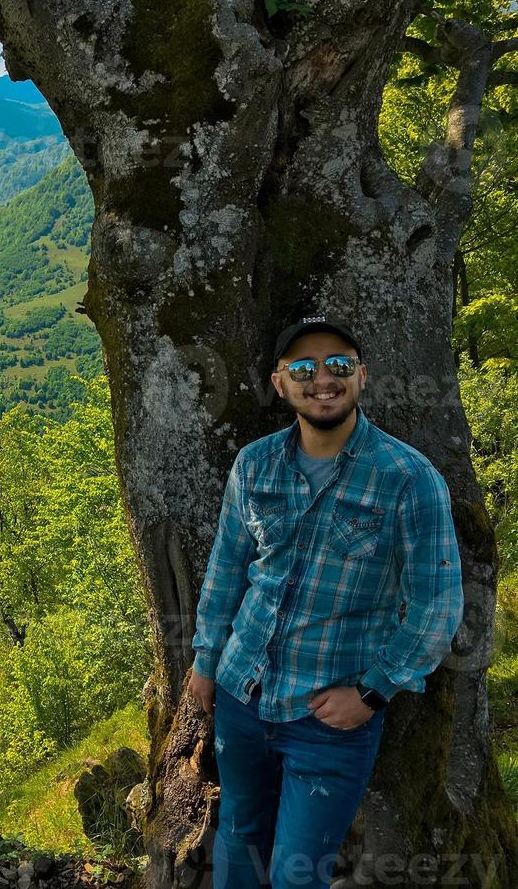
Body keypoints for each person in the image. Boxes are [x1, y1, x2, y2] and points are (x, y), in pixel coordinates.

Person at [188, 315, 465, 888]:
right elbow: (225, 571)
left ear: (361, 377)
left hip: (328, 718)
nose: (322, 379)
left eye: (338, 365)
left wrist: (373, 691)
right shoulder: (255, 464)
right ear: (279, 383)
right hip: (242, 695)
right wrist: (206, 662)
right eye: (303, 368)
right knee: (238, 840)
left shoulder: (408, 479)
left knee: (298, 875)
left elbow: (437, 607)